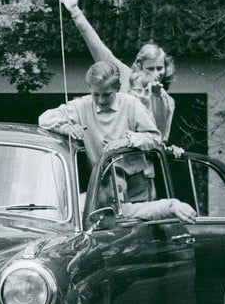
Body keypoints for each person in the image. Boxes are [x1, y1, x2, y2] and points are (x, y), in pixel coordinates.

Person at [58, 0, 176, 143]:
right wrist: (75, 11)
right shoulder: (122, 75)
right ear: (140, 66)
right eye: (150, 68)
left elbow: (160, 137)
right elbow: (97, 46)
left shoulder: (166, 100)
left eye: (160, 68)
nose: (156, 74)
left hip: (145, 160)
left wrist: (157, 97)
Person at [39, 60, 161, 202]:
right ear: (89, 88)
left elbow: (154, 137)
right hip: (104, 182)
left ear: (118, 88)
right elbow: (44, 118)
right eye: (96, 94)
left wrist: (128, 141)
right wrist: (67, 127)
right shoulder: (82, 105)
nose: (101, 100)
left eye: (107, 94)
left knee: (141, 218)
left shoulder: (132, 104)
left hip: (136, 182)